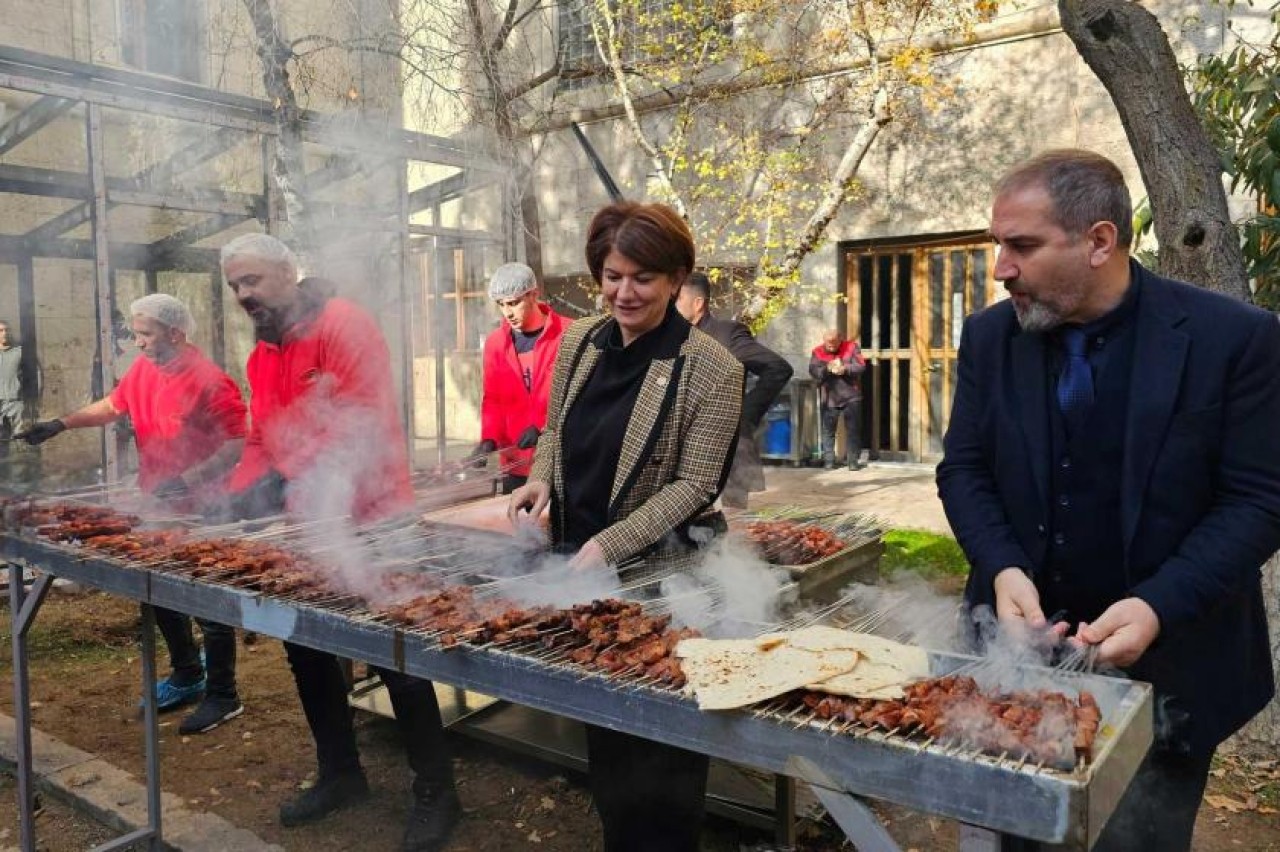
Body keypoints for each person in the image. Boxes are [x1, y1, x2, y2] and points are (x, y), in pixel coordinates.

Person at [935, 149, 1280, 852]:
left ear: (1099, 241)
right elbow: (964, 469)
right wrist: (1003, 567)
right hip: (1012, 665)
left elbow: (1259, 499)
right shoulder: (989, 337)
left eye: (1022, 246)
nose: (1001, 267)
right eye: (998, 244)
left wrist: (1159, 604)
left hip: (1173, 670)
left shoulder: (1235, 339)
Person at [508, 201, 743, 851]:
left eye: (642, 277)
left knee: (665, 753)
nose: (624, 291)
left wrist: (609, 543)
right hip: (582, 569)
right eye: (612, 275)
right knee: (609, 740)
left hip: (670, 578)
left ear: (676, 278)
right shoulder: (581, 340)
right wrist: (539, 477)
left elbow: (697, 484)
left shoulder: (712, 369)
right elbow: (555, 426)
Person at [219, 233, 460, 852]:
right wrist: (241, 490)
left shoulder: (343, 325)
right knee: (307, 648)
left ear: (287, 271)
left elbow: (362, 423)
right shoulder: (259, 357)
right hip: (310, 525)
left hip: (376, 519)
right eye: (234, 286)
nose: (244, 294)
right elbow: (259, 436)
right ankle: (340, 773)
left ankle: (436, 789)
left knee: (394, 653)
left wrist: (285, 478)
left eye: (253, 281)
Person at [19, 295, 248, 735]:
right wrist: (60, 424)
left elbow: (236, 443)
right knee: (155, 589)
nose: (137, 342)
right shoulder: (144, 369)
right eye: (137, 333)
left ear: (176, 334)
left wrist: (188, 478)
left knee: (207, 599)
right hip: (155, 500)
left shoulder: (211, 381)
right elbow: (112, 405)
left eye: (146, 334)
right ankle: (187, 673)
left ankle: (224, 694)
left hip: (202, 507)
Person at [675, 271, 792, 508]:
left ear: (698, 303)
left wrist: (745, 413)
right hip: (684, 451)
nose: (670, 305)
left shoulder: (726, 334)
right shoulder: (674, 337)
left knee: (732, 525)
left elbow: (777, 368)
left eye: (677, 299)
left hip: (726, 449)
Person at [469, 262, 567, 493]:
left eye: (514, 303)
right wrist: (489, 439)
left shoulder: (567, 335)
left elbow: (579, 399)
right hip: (516, 465)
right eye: (501, 304)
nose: (507, 312)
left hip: (560, 463)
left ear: (534, 295)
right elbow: (492, 398)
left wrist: (545, 429)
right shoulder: (495, 343)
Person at [808, 328, 865, 470]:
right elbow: (814, 371)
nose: (831, 347)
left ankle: (852, 461)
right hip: (829, 396)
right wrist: (827, 369)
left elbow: (861, 366)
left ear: (840, 340)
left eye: (834, 344)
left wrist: (845, 368)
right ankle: (829, 461)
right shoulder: (817, 352)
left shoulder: (851, 347)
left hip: (851, 395)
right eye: (828, 344)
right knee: (828, 430)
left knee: (853, 429)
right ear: (824, 341)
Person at [0, 319, 24, 442]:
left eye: (6, 330)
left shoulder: (19, 352)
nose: (4, 333)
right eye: (1, 330)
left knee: (20, 440)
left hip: (15, 401)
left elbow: (34, 374)